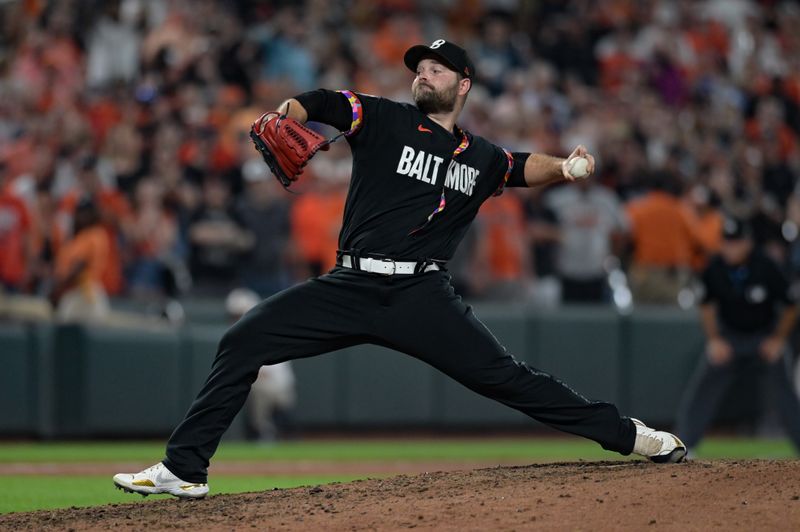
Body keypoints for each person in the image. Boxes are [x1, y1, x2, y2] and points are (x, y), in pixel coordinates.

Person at [113, 40, 685, 499]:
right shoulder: (384, 119)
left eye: (437, 69)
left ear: (462, 85)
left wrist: (567, 165)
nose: (424, 75)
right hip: (351, 284)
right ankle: (184, 469)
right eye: (420, 68)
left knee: (511, 380)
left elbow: (517, 166)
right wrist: (287, 113)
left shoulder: (479, 156)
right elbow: (330, 102)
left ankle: (632, 436)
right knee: (244, 339)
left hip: (421, 295)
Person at [675, 217, 800, 452]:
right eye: (727, 242)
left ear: (748, 243)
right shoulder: (715, 267)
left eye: (736, 242)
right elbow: (706, 304)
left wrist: (778, 339)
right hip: (730, 337)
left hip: (764, 337)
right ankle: (685, 446)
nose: (730, 248)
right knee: (703, 386)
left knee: (786, 392)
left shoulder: (766, 265)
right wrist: (714, 340)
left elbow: (791, 305)